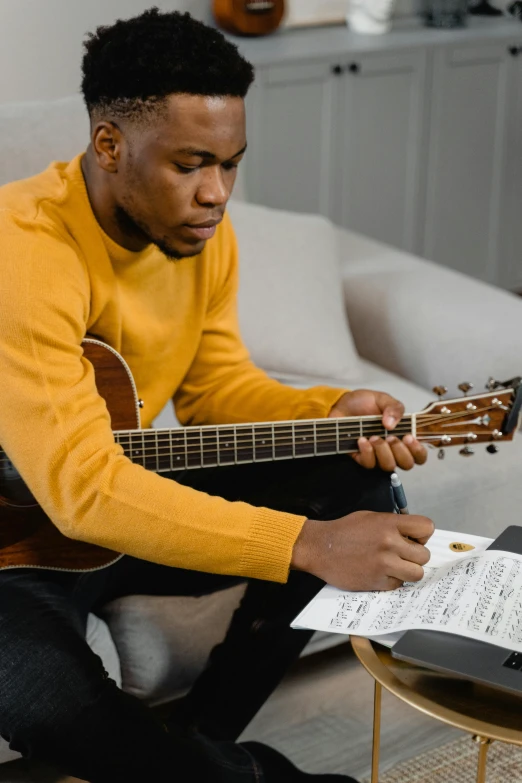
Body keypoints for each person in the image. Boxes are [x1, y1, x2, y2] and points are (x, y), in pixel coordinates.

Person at [0, 8, 434, 783]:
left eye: (231, 163)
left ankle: (205, 737)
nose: (217, 194)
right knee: (39, 698)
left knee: (355, 477)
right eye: (192, 164)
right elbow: (82, 489)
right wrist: (307, 543)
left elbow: (212, 390)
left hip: (119, 497)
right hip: (20, 542)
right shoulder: (25, 250)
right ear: (109, 146)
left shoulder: (199, 235)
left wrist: (328, 411)